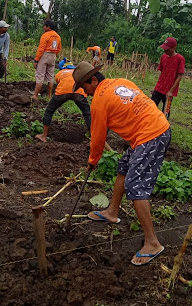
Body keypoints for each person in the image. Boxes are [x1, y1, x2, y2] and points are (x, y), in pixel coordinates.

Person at [72, 61, 171, 266]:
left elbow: (97, 137)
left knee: (135, 186)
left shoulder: (99, 101)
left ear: (93, 80)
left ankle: (152, 243)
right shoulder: (120, 82)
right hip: (152, 128)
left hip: (151, 135)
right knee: (124, 167)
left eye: (84, 87)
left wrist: (92, 161)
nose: (85, 93)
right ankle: (111, 212)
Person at [35, 66, 91, 143]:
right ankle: (92, 137)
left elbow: (58, 81)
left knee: (49, 111)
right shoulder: (77, 73)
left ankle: (44, 136)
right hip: (78, 91)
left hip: (63, 91)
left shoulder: (61, 72)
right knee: (87, 113)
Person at [151, 37, 185, 119]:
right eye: (164, 49)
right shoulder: (163, 57)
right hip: (159, 87)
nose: (165, 51)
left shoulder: (180, 59)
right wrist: (156, 87)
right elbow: (162, 74)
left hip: (169, 90)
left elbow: (179, 76)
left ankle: (163, 128)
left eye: (168, 49)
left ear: (174, 48)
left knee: (165, 111)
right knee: (151, 107)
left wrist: (171, 91)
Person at [33, 20, 62, 101]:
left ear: (48, 27)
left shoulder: (45, 35)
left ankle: (35, 95)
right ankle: (49, 95)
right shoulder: (58, 36)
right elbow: (59, 48)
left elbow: (41, 49)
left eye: (44, 26)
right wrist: (54, 55)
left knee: (40, 75)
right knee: (50, 77)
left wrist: (36, 60)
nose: (43, 27)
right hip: (53, 56)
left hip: (45, 55)